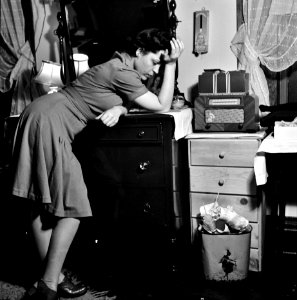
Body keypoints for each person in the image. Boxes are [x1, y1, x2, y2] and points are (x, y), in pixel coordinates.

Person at [10, 28, 184, 300]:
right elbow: (161, 104)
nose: (157, 68)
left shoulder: (118, 67)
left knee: (39, 203)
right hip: (51, 121)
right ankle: (48, 284)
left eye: (162, 63)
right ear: (139, 52)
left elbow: (122, 97)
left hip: (39, 113)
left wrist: (120, 108)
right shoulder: (121, 71)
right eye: (156, 60)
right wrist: (173, 63)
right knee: (75, 204)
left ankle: (53, 276)